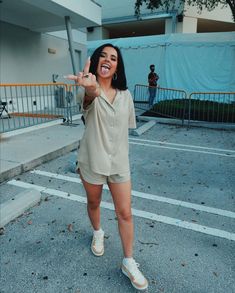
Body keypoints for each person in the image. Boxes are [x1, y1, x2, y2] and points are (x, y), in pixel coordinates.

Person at [66, 43, 148, 291]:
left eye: (113, 58)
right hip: (92, 159)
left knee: (125, 213)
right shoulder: (85, 90)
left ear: (117, 67)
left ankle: (128, 261)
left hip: (119, 162)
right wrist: (90, 89)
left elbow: (125, 129)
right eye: (103, 55)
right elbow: (87, 101)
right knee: (94, 203)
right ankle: (98, 232)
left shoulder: (126, 95)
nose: (107, 60)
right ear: (96, 61)